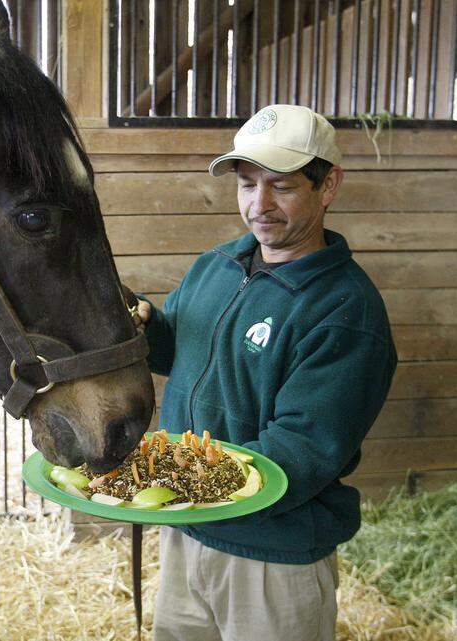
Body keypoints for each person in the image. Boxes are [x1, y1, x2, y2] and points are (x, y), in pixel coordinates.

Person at [126, 104, 398, 641]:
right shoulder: (218, 265)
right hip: (187, 531)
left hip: (273, 555)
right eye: (247, 185)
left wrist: (170, 479)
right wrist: (140, 324)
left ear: (329, 186)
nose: (259, 205)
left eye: (282, 186)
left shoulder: (345, 311)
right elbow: (178, 351)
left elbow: (302, 449)